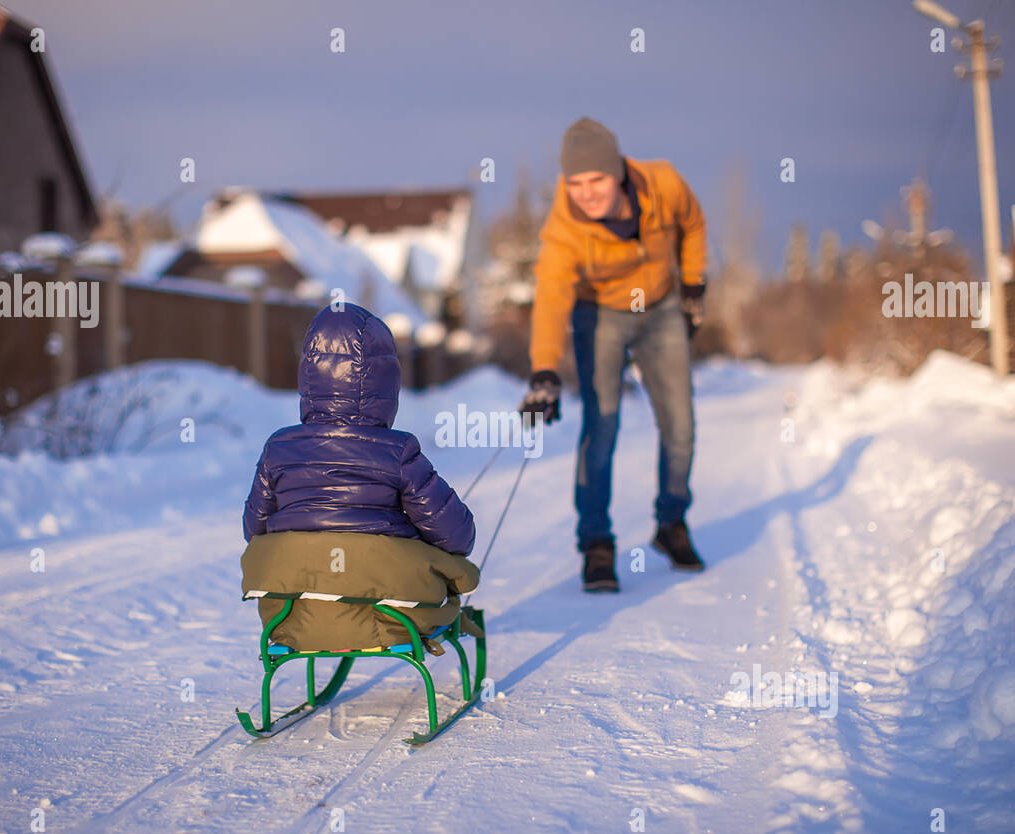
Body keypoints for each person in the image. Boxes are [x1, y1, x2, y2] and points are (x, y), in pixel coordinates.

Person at [520, 117, 708, 592]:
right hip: (600, 313)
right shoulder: (564, 232)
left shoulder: (663, 182)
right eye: (575, 182)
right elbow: (550, 298)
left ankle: (671, 523)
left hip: (663, 306)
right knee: (602, 425)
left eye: (596, 180)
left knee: (680, 425)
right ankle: (597, 544)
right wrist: (544, 368)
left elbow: (694, 223)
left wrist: (693, 285)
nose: (585, 192)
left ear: (618, 172)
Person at [241, 303, 478, 651]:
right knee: (446, 567)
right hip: (392, 619)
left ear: (307, 375)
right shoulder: (397, 451)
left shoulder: (278, 449)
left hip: (293, 620)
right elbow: (457, 536)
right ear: (386, 383)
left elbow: (254, 530)